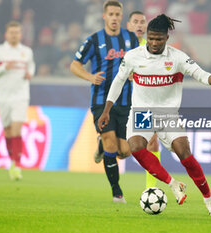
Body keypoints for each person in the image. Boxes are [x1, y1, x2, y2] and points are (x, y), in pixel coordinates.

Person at [98, 14, 211, 216]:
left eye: (159, 39)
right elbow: (118, 81)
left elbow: (199, 73)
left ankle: (210, 201)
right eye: (151, 38)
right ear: (147, 37)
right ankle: (173, 184)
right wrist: (106, 109)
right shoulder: (134, 56)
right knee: (136, 147)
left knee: (185, 155)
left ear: (167, 38)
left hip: (168, 113)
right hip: (142, 112)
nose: (154, 42)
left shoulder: (177, 57)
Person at [70, 0, 139, 203]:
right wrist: (90, 77)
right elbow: (75, 65)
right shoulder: (94, 40)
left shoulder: (132, 39)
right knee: (111, 144)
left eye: (118, 14)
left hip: (125, 102)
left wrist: (135, 73)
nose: (115, 18)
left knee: (125, 151)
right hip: (101, 101)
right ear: (104, 16)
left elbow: (142, 62)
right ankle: (117, 192)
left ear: (121, 17)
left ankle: (101, 146)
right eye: (111, 14)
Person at [0, 21, 35, 180]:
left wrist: (30, 73)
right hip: (3, 96)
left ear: (20, 34)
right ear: (6, 34)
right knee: (8, 131)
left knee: (17, 129)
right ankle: (12, 162)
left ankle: (17, 165)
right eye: (11, 32)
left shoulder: (27, 52)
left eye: (17, 32)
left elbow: (31, 66)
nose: (14, 35)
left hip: (21, 96)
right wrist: (4, 68)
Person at [127, 10, 161, 189]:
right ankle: (105, 145)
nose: (139, 25)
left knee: (152, 141)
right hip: (121, 102)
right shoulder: (120, 47)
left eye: (142, 22)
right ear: (128, 25)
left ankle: (151, 187)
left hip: (145, 101)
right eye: (135, 21)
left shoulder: (151, 46)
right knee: (121, 150)